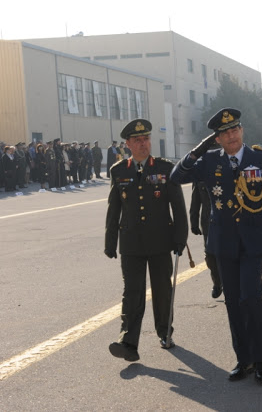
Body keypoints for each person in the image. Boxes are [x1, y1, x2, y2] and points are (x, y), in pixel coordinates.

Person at [171, 108, 262, 384]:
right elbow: (177, 177)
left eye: (234, 129)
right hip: (223, 242)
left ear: (242, 131)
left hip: (253, 240)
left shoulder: (261, 158)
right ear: (217, 139)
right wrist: (199, 149)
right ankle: (244, 359)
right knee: (233, 303)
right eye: (224, 133)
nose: (231, 135)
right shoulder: (209, 160)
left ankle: (260, 359)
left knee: (251, 296)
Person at [105, 119, 188, 362]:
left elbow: (178, 207)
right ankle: (128, 342)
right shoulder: (119, 171)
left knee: (162, 290)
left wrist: (180, 238)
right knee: (132, 292)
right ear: (128, 144)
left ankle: (165, 333)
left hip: (161, 240)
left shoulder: (164, 168)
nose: (143, 144)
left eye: (146, 139)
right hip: (131, 242)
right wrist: (110, 242)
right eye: (138, 140)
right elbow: (114, 209)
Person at [190, 179, 223, 298]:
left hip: (228, 221)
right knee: (210, 256)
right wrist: (193, 221)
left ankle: (230, 288)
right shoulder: (200, 169)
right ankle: (217, 283)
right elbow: (195, 199)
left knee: (227, 255)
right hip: (208, 222)